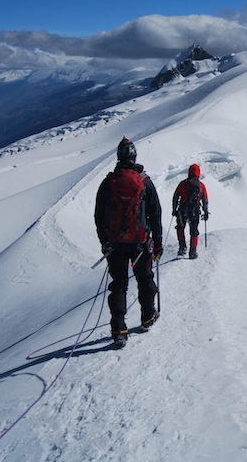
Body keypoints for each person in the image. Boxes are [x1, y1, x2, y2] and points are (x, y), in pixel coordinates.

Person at [95, 137, 163, 349]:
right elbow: (155, 213)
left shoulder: (108, 183)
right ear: (134, 157)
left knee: (119, 285)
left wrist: (104, 241)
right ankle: (147, 317)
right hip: (140, 244)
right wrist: (158, 243)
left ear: (118, 157)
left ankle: (119, 330)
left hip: (115, 244)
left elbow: (99, 215)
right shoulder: (145, 182)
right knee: (145, 279)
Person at [172, 163, 209, 259]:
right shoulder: (201, 186)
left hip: (182, 209)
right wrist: (205, 212)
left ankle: (182, 248)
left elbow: (175, 196)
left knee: (180, 228)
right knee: (194, 231)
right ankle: (192, 252)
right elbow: (205, 200)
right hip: (194, 211)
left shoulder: (182, 184)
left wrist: (174, 209)